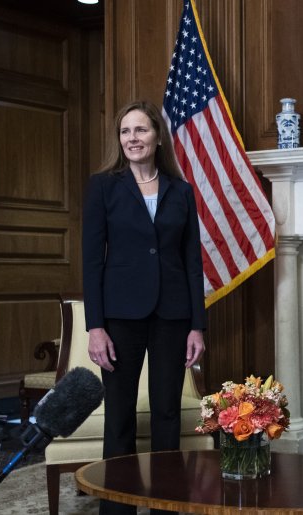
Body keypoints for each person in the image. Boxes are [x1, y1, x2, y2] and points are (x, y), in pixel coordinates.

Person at [82, 100, 207, 515]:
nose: (132, 139)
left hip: (172, 315)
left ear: (157, 137)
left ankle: (165, 506)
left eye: (140, 130)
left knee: (167, 412)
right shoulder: (103, 187)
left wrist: (197, 326)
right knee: (118, 416)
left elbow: (193, 262)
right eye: (125, 132)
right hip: (119, 316)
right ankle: (117, 508)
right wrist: (94, 327)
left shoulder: (182, 191)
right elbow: (91, 260)